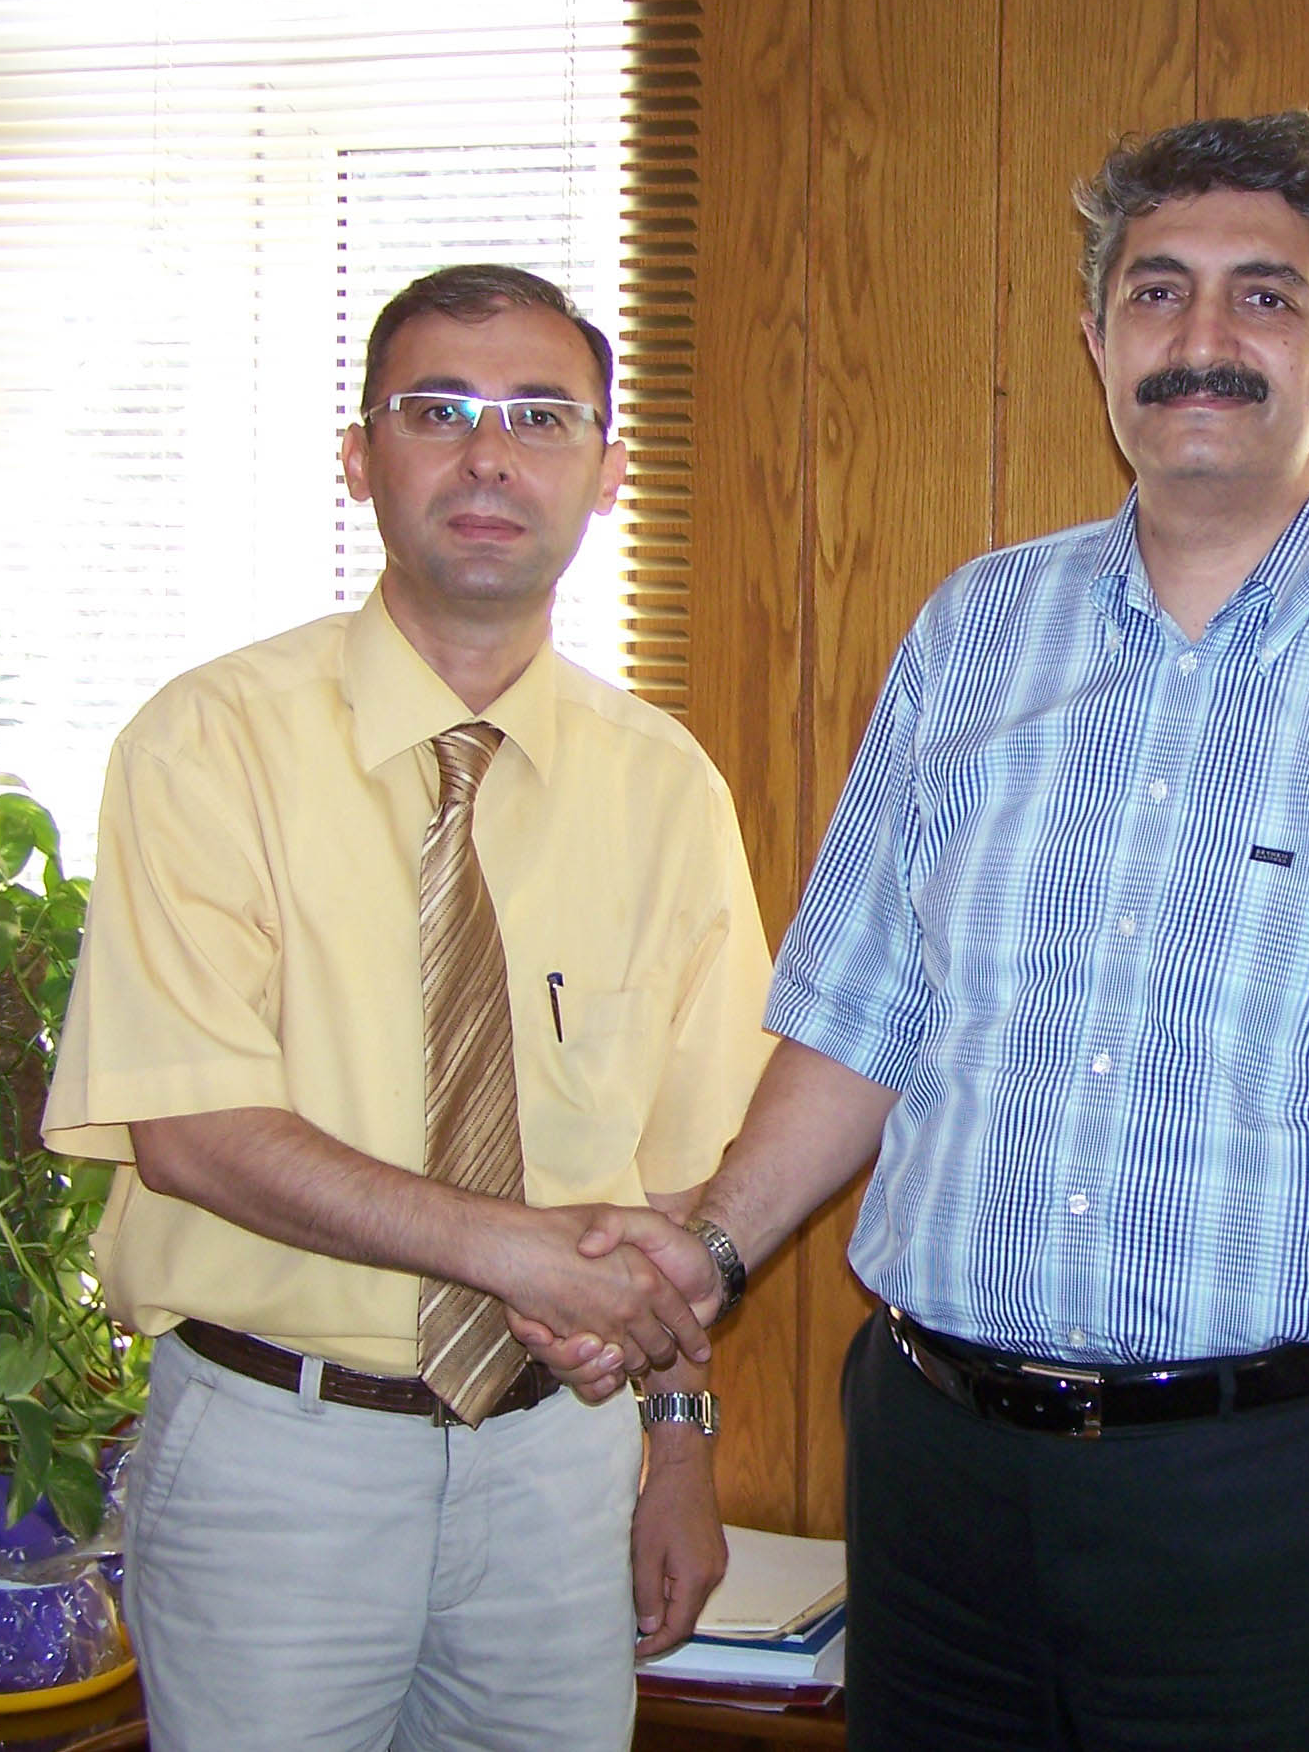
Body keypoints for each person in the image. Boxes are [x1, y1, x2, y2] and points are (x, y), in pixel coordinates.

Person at [541, 114, 1309, 1749]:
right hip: (940, 1480)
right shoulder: (974, 632)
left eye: (1265, 298)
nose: (1202, 338)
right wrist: (707, 1252)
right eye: (1158, 293)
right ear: (1096, 342)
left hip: (1288, 1496)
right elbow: (860, 1022)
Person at [40, 265, 773, 1752]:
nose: (490, 456)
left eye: (542, 417)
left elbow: (686, 1183)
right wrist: (510, 1248)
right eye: (437, 411)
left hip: (561, 1467)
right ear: (360, 458)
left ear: (607, 472)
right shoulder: (206, 746)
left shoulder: (665, 789)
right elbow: (188, 1128)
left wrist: (682, 1447)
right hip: (277, 1464)